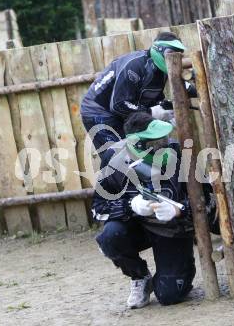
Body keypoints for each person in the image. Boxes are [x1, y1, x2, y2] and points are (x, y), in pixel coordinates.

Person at [92, 112, 196, 309]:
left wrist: (179, 211)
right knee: (110, 237)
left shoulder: (179, 152)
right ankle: (139, 275)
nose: (163, 146)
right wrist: (131, 206)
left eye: (163, 139)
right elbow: (98, 208)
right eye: (155, 143)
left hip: (171, 229)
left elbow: (206, 200)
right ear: (136, 144)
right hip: (137, 228)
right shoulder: (114, 159)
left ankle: (173, 273)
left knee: (169, 295)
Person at [80, 32, 196, 162]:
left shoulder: (161, 71)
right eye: (170, 53)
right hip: (98, 111)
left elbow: (149, 100)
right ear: (159, 49)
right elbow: (119, 104)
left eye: (179, 55)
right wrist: (151, 112)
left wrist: (166, 113)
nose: (174, 58)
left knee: (141, 154)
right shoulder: (135, 66)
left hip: (120, 113)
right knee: (119, 159)